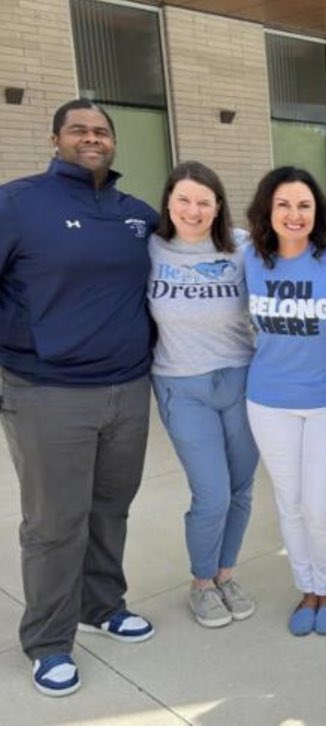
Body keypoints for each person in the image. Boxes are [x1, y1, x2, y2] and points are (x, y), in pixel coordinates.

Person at [0, 98, 158, 697]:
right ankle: (48, 639)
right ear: (55, 139)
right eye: (78, 130)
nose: (91, 139)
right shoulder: (17, 204)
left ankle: (103, 604)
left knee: (110, 509)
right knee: (53, 524)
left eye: (101, 131)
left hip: (127, 388)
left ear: (113, 142)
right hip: (47, 393)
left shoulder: (136, 215)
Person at [243, 167, 326, 637]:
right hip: (269, 399)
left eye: (304, 205)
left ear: (318, 211)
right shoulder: (250, 259)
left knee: (318, 504)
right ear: (267, 211)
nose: (294, 215)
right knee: (289, 503)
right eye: (284, 205)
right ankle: (307, 588)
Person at [148, 161, 258, 628]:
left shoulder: (243, 249)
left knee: (240, 488)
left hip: (241, 380)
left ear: (218, 207)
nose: (193, 210)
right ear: (169, 203)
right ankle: (201, 582)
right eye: (183, 200)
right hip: (181, 384)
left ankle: (225, 574)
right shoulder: (149, 248)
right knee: (211, 493)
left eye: (204, 202)